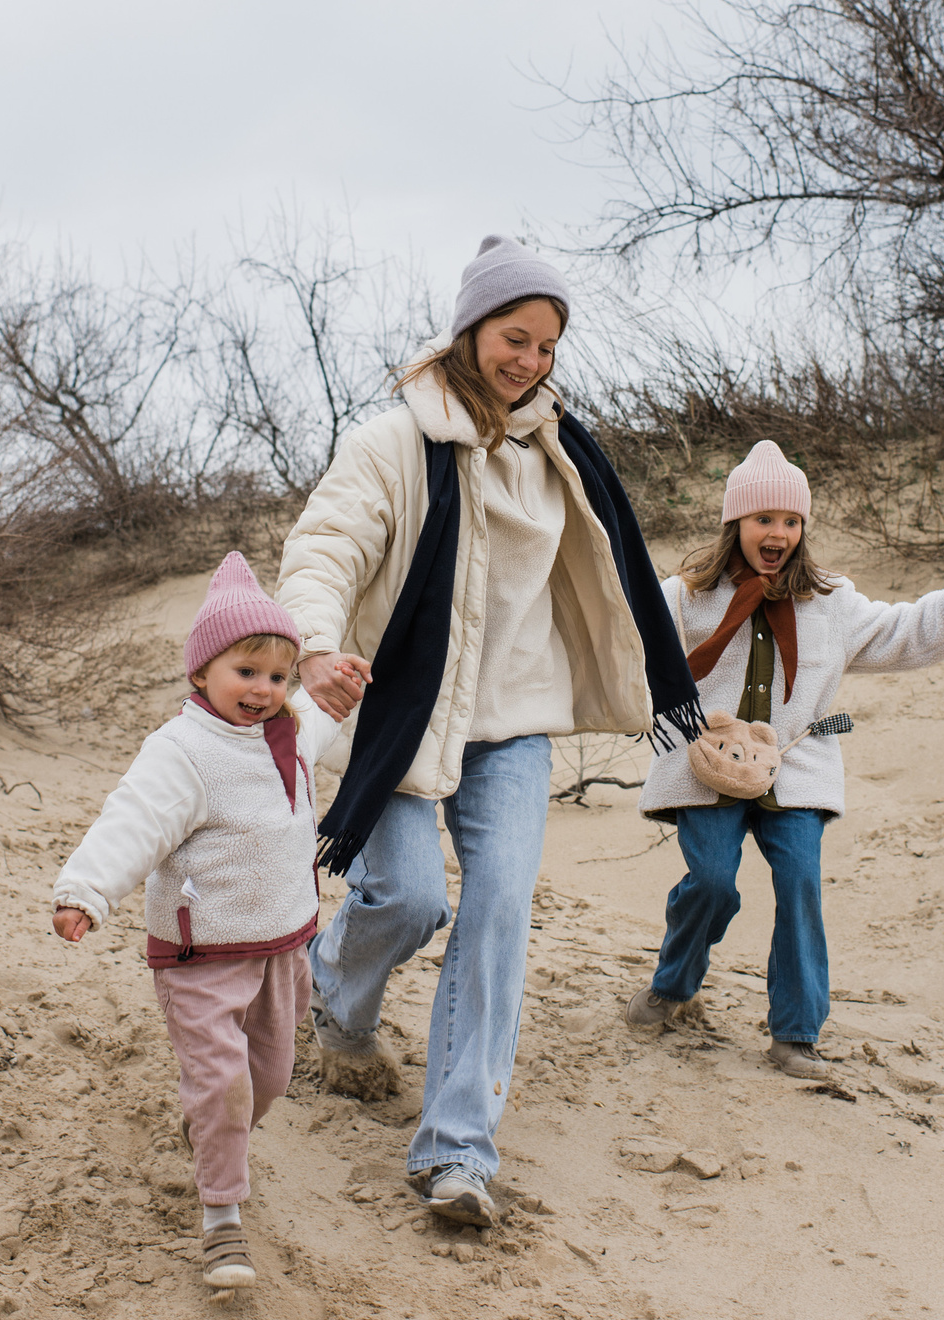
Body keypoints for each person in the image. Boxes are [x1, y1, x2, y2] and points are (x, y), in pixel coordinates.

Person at [278, 234, 703, 1228]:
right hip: (399, 712)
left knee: (501, 911)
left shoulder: (561, 452)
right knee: (411, 899)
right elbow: (327, 546)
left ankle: (458, 1153)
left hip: (511, 727)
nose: (531, 361)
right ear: (471, 329)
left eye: (548, 346)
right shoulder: (392, 442)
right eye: (517, 338)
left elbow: (615, 579)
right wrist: (312, 645)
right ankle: (336, 993)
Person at [622, 440, 944, 1078]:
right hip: (708, 763)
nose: (777, 533)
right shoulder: (688, 595)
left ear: (803, 529)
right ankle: (672, 984)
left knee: (799, 883)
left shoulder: (830, 602)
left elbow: (902, 631)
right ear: (736, 526)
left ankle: (795, 1033)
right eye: (763, 520)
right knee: (714, 884)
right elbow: (627, 633)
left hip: (796, 768)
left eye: (790, 521)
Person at [48, 552, 337, 1292]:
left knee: (268, 1078)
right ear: (203, 671)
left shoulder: (292, 736)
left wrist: (347, 691)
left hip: (282, 946)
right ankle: (222, 1222)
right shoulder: (181, 751)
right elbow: (132, 823)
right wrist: (86, 890)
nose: (264, 689)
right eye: (246, 671)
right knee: (224, 1085)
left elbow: (329, 724)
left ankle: (213, 1132)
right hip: (202, 956)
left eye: (278, 675)